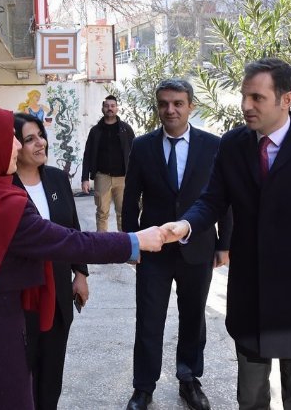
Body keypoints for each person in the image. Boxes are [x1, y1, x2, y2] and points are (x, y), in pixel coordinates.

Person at [0, 104, 169, 410]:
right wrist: (134, 240)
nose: (16, 145)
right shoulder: (1, 206)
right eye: (9, 138)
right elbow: (70, 242)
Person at [163, 58, 291, 410]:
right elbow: (212, 200)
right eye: (244, 96)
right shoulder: (233, 144)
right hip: (250, 297)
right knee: (250, 398)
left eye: (257, 98)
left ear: (287, 99)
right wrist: (185, 225)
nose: (246, 106)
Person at [122, 79, 231, 410]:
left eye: (178, 103)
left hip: (197, 247)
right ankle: (143, 387)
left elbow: (225, 198)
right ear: (158, 107)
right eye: (164, 103)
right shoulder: (142, 146)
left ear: (190, 106)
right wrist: (131, 243)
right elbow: (130, 198)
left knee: (193, 316)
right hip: (153, 250)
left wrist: (224, 244)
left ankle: (189, 379)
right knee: (149, 319)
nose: (170, 110)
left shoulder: (213, 145)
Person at [12, 112, 88, 410]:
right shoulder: (4, 185)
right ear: (14, 146)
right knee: (22, 373)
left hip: (57, 292)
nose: (40, 143)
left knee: (52, 373)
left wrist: (80, 274)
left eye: (41, 136)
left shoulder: (56, 178)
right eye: (30, 139)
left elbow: (73, 230)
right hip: (21, 296)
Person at [81, 95, 135, 231]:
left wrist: (136, 177)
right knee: (102, 213)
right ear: (102, 108)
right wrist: (84, 178)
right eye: (106, 106)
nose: (109, 108)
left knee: (123, 213)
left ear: (117, 108)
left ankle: (124, 241)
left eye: (112, 106)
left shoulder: (126, 129)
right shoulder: (95, 131)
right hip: (102, 177)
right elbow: (87, 155)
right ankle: (102, 242)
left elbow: (135, 153)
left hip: (122, 178)